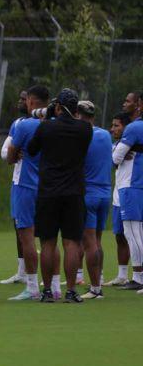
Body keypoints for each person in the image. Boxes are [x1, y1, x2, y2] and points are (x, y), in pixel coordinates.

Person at [26, 88, 93, 303]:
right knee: (72, 242)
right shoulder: (85, 129)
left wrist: (47, 119)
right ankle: (71, 291)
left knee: (48, 243)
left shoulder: (46, 127)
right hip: (74, 192)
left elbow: (32, 149)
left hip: (48, 192)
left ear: (57, 107)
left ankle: (47, 291)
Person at [5, 85, 50, 301]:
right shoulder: (53, 124)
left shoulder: (25, 125)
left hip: (25, 185)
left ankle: (32, 287)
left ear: (31, 101)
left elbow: (10, 155)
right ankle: (53, 287)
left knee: (27, 237)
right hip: (49, 186)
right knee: (50, 239)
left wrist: (16, 155)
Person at [79, 101, 112, 299]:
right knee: (97, 241)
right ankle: (98, 281)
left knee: (88, 243)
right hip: (105, 193)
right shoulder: (105, 135)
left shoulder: (81, 136)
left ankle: (95, 289)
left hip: (88, 193)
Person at [0, 90, 30, 284]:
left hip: (39, 184)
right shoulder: (17, 124)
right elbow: (4, 152)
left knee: (42, 230)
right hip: (19, 182)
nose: (20, 102)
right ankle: (22, 272)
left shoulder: (47, 123)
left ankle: (44, 276)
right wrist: (14, 153)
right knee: (19, 227)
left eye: (23, 99)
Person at [113, 106, 143, 292]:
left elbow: (115, 159)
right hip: (139, 185)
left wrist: (122, 151)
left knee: (132, 232)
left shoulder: (134, 128)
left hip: (131, 186)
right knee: (138, 231)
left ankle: (139, 277)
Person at [105, 113, 133, 286]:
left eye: (116, 126)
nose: (112, 129)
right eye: (112, 125)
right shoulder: (115, 146)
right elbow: (111, 162)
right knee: (120, 235)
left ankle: (138, 275)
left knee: (135, 235)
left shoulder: (136, 147)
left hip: (131, 193)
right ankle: (122, 275)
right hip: (117, 196)